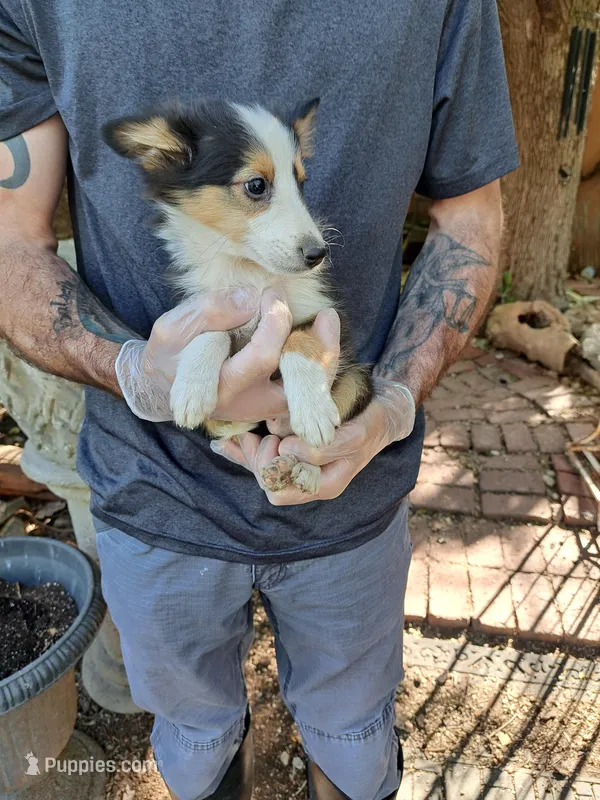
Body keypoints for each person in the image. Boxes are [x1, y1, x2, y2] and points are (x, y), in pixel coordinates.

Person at [0, 1, 518, 798]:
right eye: (259, 189)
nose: (302, 225)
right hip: (153, 493)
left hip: (352, 499)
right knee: (198, 745)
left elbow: (471, 215)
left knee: (351, 746)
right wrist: (137, 369)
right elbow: (10, 232)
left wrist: (389, 408)